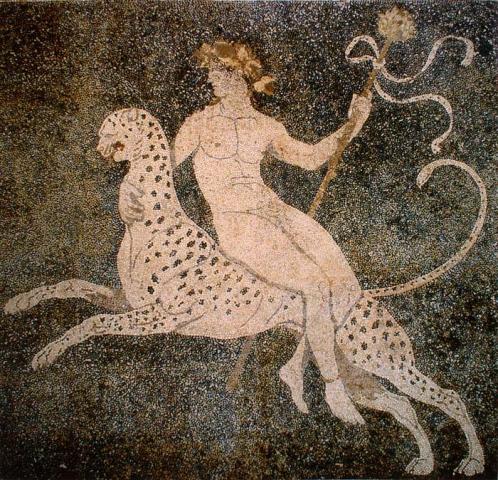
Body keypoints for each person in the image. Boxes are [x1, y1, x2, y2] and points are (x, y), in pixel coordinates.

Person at [161, 40, 371, 422]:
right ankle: (333, 386)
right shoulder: (200, 123)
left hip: (277, 213)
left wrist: (353, 124)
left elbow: (310, 158)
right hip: (239, 225)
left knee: (342, 281)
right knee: (314, 285)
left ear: (241, 77)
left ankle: (297, 364)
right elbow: (167, 167)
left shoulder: (265, 126)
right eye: (211, 73)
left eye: (220, 72)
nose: (212, 80)